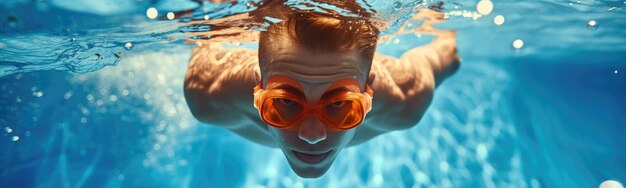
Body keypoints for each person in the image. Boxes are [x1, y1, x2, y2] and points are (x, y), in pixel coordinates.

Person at [183, 2, 459, 178]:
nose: (312, 136)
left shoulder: (405, 97)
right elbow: (203, 41)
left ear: (369, 90)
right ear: (259, 85)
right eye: (285, 102)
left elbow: (446, 52)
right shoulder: (209, 93)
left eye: (339, 104)